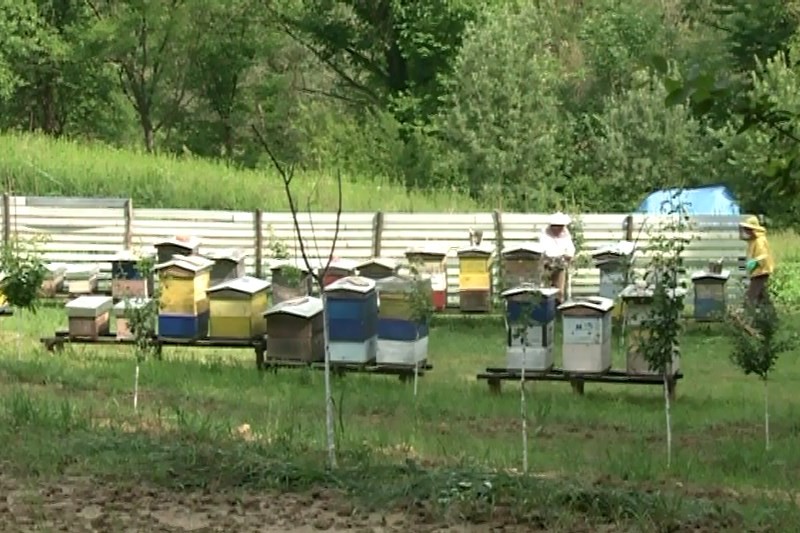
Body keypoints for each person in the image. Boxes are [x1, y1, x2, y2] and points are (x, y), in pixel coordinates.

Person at [539, 212, 576, 304]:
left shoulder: (565, 234)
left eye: (561, 226)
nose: (559, 228)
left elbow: (570, 249)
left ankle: (558, 309)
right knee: (545, 291)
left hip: (560, 266)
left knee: (560, 292)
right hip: (546, 265)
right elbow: (543, 249)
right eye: (557, 226)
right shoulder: (545, 234)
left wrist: (568, 256)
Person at [739, 216, 775, 307]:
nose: (746, 231)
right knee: (761, 297)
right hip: (757, 272)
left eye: (748, 229)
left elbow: (763, 256)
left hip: (761, 272)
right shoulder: (753, 240)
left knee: (750, 297)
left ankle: (747, 317)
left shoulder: (760, 240)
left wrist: (754, 262)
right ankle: (766, 316)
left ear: (753, 229)